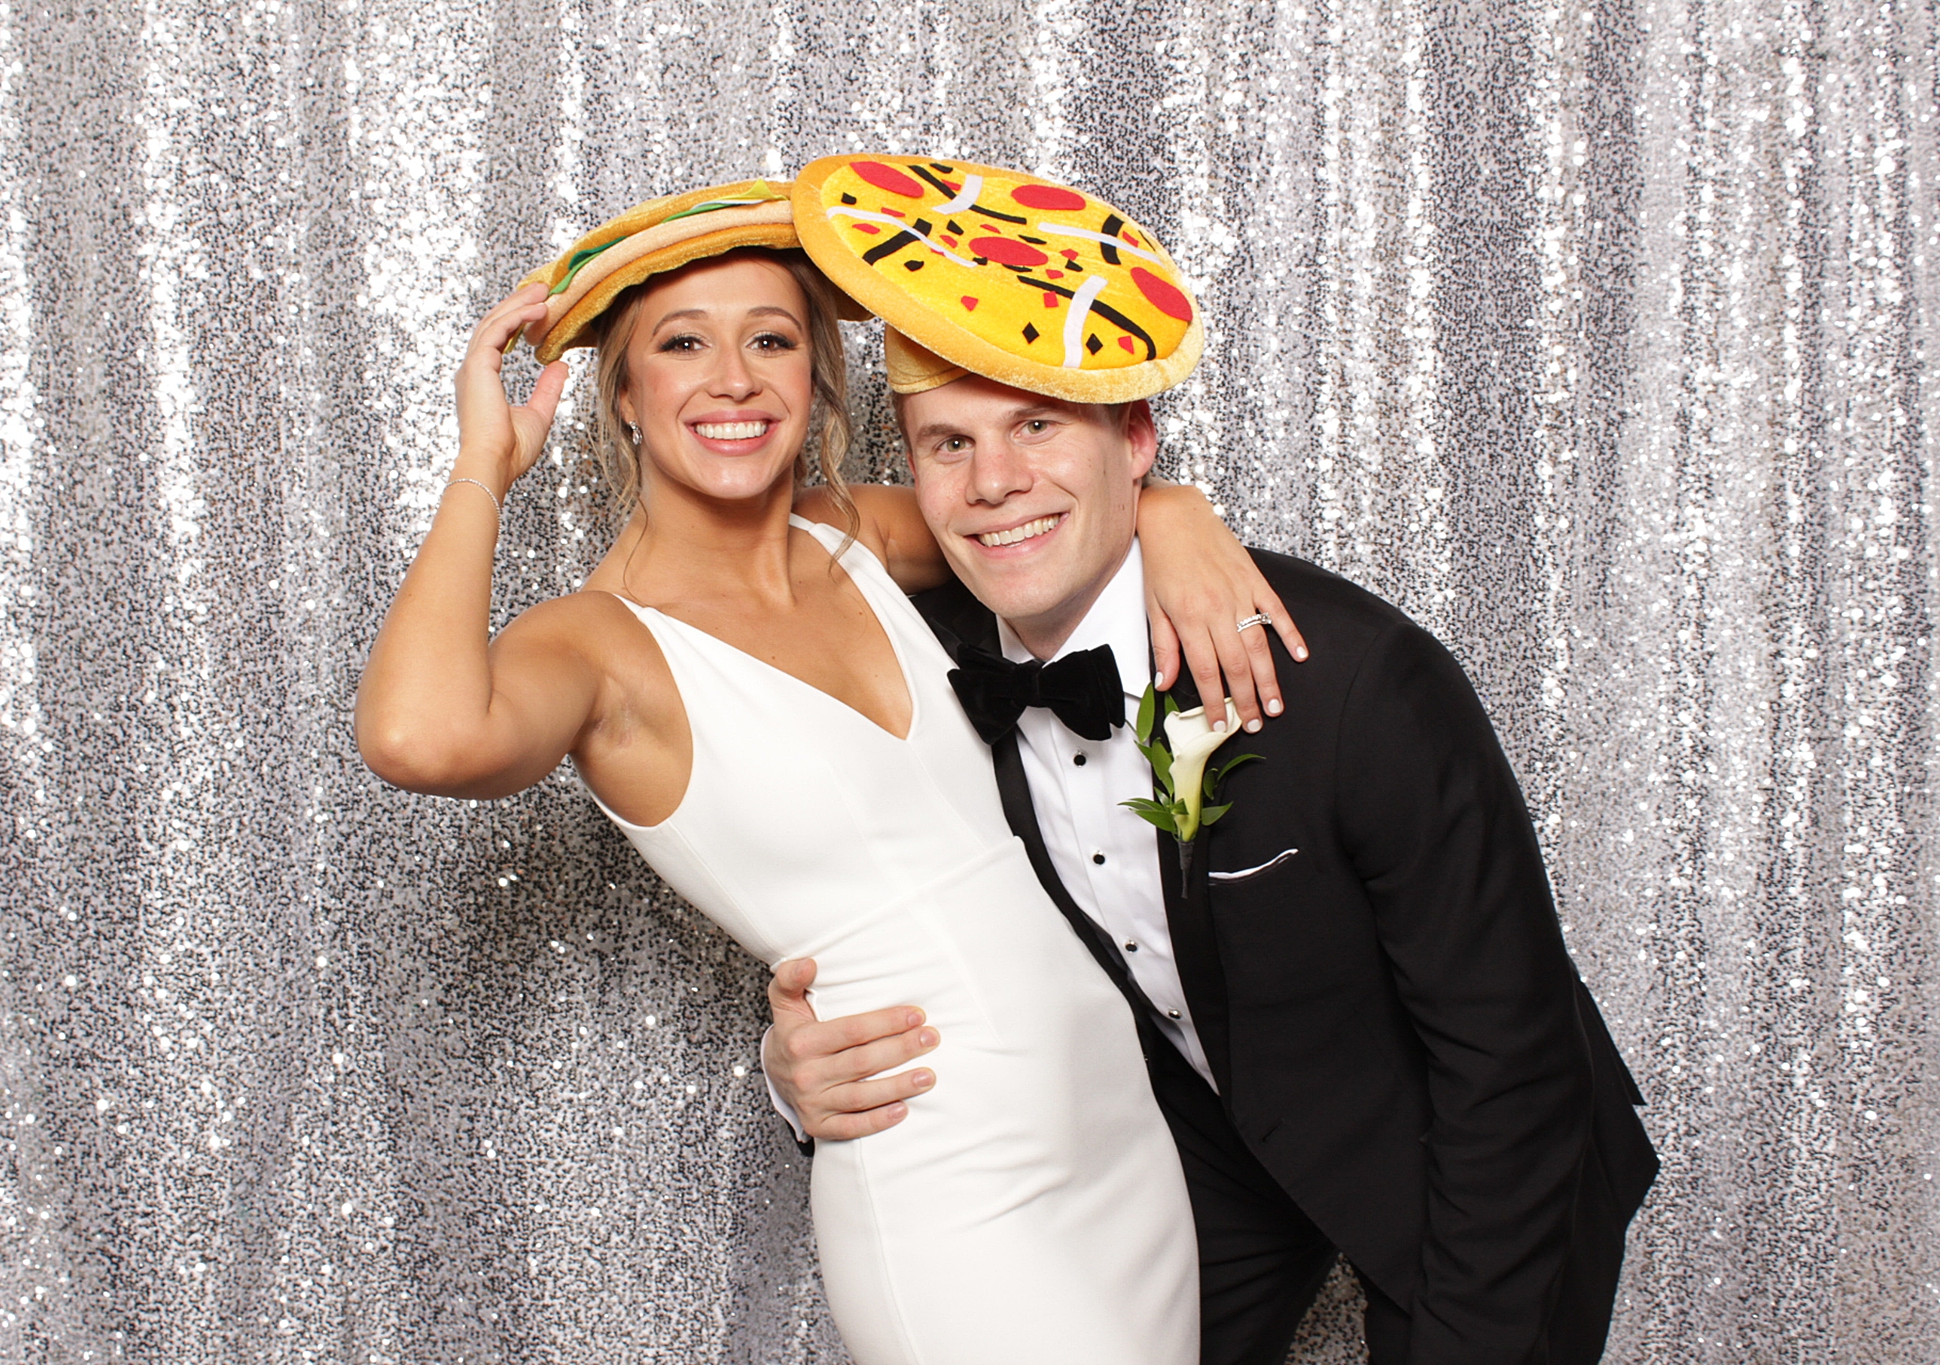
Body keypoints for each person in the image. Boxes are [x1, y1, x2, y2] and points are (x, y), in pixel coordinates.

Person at [353, 177, 1308, 1365]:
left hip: (1124, 1148)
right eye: (682, 344)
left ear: (813, 379)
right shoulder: (596, 645)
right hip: (945, 1181)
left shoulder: (854, 535)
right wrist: (482, 473)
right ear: (626, 397)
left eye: (771, 338)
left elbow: (1043, 513)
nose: (733, 377)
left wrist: (1173, 508)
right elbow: (417, 737)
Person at [765, 154, 1660, 1365]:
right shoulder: (921, 682)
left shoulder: (1352, 679)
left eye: (1037, 424)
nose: (993, 484)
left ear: (1136, 438)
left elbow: (1509, 1064)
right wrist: (799, 1072)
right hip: (1206, 1145)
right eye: (946, 443)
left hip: (1473, 1153)